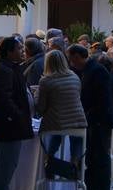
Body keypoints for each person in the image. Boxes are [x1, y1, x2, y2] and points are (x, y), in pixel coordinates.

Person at [68, 44, 113, 190]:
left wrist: (91, 115)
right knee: (91, 158)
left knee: (100, 159)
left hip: (99, 121)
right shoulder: (90, 70)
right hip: (94, 120)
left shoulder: (96, 71)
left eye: (72, 60)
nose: (72, 63)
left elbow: (101, 99)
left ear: (78, 57)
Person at [0, 35, 32, 190]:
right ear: (9, 52)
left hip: (9, 122)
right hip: (8, 124)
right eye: (18, 49)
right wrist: (17, 115)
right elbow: (4, 98)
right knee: (7, 162)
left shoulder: (8, 68)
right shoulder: (4, 70)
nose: (22, 52)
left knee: (7, 162)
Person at [36, 49, 86, 183]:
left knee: (54, 134)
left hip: (56, 122)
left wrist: (36, 95)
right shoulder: (75, 77)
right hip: (78, 121)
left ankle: (49, 161)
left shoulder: (46, 81)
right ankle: (74, 163)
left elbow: (41, 108)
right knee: (76, 139)